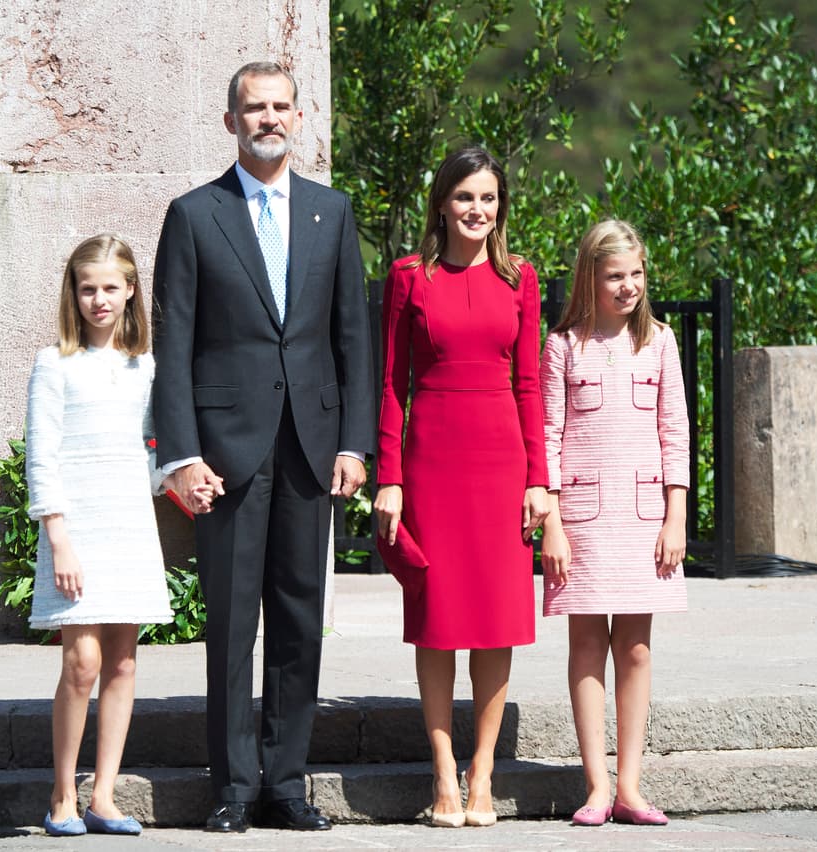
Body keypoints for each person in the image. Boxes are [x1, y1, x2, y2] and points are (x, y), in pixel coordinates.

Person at [151, 61, 375, 833]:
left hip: (313, 451)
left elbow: (354, 338)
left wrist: (355, 442)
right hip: (226, 456)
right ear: (230, 121)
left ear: (299, 117)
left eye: (281, 107)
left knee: (299, 619)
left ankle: (287, 782)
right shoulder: (193, 215)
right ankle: (234, 787)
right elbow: (173, 344)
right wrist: (180, 456)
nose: (268, 119)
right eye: (254, 108)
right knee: (232, 624)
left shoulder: (331, 212)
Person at [373, 146, 551, 828]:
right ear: (442, 204)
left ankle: (483, 777)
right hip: (432, 463)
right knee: (439, 621)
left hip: (501, 461)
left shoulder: (521, 279)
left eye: (489, 199)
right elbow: (391, 384)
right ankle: (443, 776)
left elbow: (530, 384)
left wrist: (541, 480)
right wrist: (388, 478)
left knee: (495, 621)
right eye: (465, 197)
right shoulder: (408, 277)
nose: (478, 210)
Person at [26, 234, 212, 836]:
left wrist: (187, 484)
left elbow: (155, 455)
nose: (99, 300)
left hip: (128, 522)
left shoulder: (146, 367)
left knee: (124, 663)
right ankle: (62, 796)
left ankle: (103, 796)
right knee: (81, 661)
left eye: (110, 287)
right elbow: (41, 455)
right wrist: (58, 538)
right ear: (72, 293)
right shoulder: (53, 363)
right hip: (76, 528)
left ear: (131, 289)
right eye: (87, 288)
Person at [538, 218, 690, 827]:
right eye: (615, 276)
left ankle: (630, 786)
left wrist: (675, 517)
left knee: (634, 647)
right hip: (580, 521)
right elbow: (546, 438)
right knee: (584, 644)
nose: (629, 286)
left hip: (644, 518)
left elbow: (674, 432)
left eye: (637, 274)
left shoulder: (661, 342)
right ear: (590, 278)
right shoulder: (563, 347)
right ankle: (596, 786)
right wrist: (551, 522)